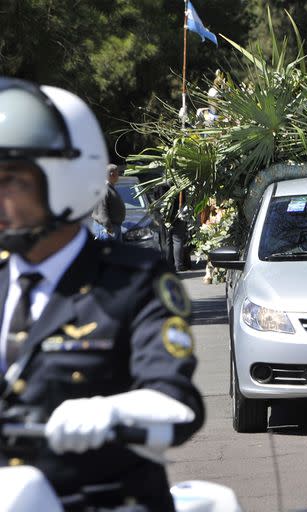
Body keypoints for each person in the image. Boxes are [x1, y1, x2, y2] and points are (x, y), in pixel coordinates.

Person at [0, 77, 204, 510]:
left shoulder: (133, 280)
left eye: (11, 180)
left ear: (65, 179)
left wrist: (113, 411)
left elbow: (177, 403)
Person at [90, 164, 125, 240]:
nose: (118, 177)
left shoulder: (110, 188)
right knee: (107, 251)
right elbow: (101, 210)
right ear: (112, 174)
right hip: (106, 228)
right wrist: (108, 227)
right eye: (117, 174)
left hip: (114, 227)